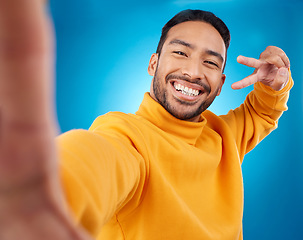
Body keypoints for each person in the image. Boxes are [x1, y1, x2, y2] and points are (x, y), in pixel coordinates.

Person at [0, 1, 293, 240]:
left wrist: (274, 85)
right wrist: (46, 196)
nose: (193, 72)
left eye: (210, 62)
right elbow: (94, 159)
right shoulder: (127, 137)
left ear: (220, 84)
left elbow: (262, 113)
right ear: (153, 64)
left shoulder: (223, 134)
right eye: (180, 52)